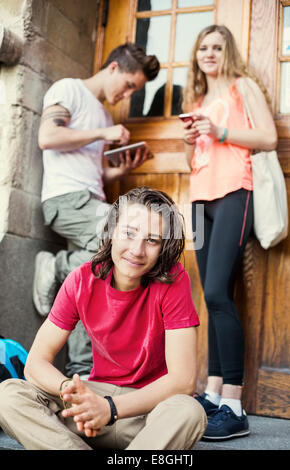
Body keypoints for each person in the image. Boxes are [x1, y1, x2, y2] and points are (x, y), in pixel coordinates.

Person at [0, 187, 207, 450]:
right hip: (91, 403)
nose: (137, 250)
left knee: (189, 411)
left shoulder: (174, 281)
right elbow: (35, 364)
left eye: (152, 240)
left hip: (146, 413)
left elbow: (182, 380)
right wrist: (71, 390)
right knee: (8, 394)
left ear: (163, 248)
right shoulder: (81, 280)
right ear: (111, 232)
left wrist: (110, 408)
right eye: (129, 234)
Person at [32, 43, 160, 379]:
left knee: (92, 280)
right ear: (114, 68)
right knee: (116, 236)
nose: (128, 93)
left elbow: (97, 170)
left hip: (89, 198)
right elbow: (48, 136)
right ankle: (56, 265)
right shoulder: (68, 89)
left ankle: (81, 372)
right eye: (130, 85)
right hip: (65, 200)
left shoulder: (103, 114)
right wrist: (105, 133)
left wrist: (123, 169)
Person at [181, 25, 277, 440]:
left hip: (235, 192)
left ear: (228, 52)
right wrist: (191, 139)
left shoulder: (242, 87)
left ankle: (235, 405)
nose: (209, 53)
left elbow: (269, 137)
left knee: (219, 293)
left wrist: (220, 132)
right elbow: (192, 161)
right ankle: (214, 392)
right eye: (203, 47)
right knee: (211, 295)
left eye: (217, 47)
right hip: (201, 199)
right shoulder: (199, 100)